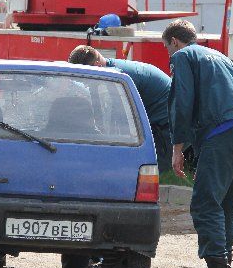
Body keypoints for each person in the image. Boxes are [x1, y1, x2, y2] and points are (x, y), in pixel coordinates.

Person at [162, 19, 233, 268]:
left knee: (205, 201)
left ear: (175, 42)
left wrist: (177, 147)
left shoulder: (183, 57)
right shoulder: (222, 57)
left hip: (221, 129)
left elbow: (182, 101)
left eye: (167, 48)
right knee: (226, 201)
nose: (169, 54)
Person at [67, 45, 174, 268]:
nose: (85, 84)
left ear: (95, 66)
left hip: (164, 129)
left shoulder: (118, 78)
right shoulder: (110, 70)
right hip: (157, 123)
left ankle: (114, 258)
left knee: (126, 186)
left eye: (86, 78)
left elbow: (118, 122)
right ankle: (100, 252)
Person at [67, 45, 173, 173]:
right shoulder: (104, 71)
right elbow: (99, 109)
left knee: (146, 171)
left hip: (166, 123)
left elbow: (122, 121)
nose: (82, 81)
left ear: (97, 65)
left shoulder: (119, 78)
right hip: (156, 117)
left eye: (83, 77)